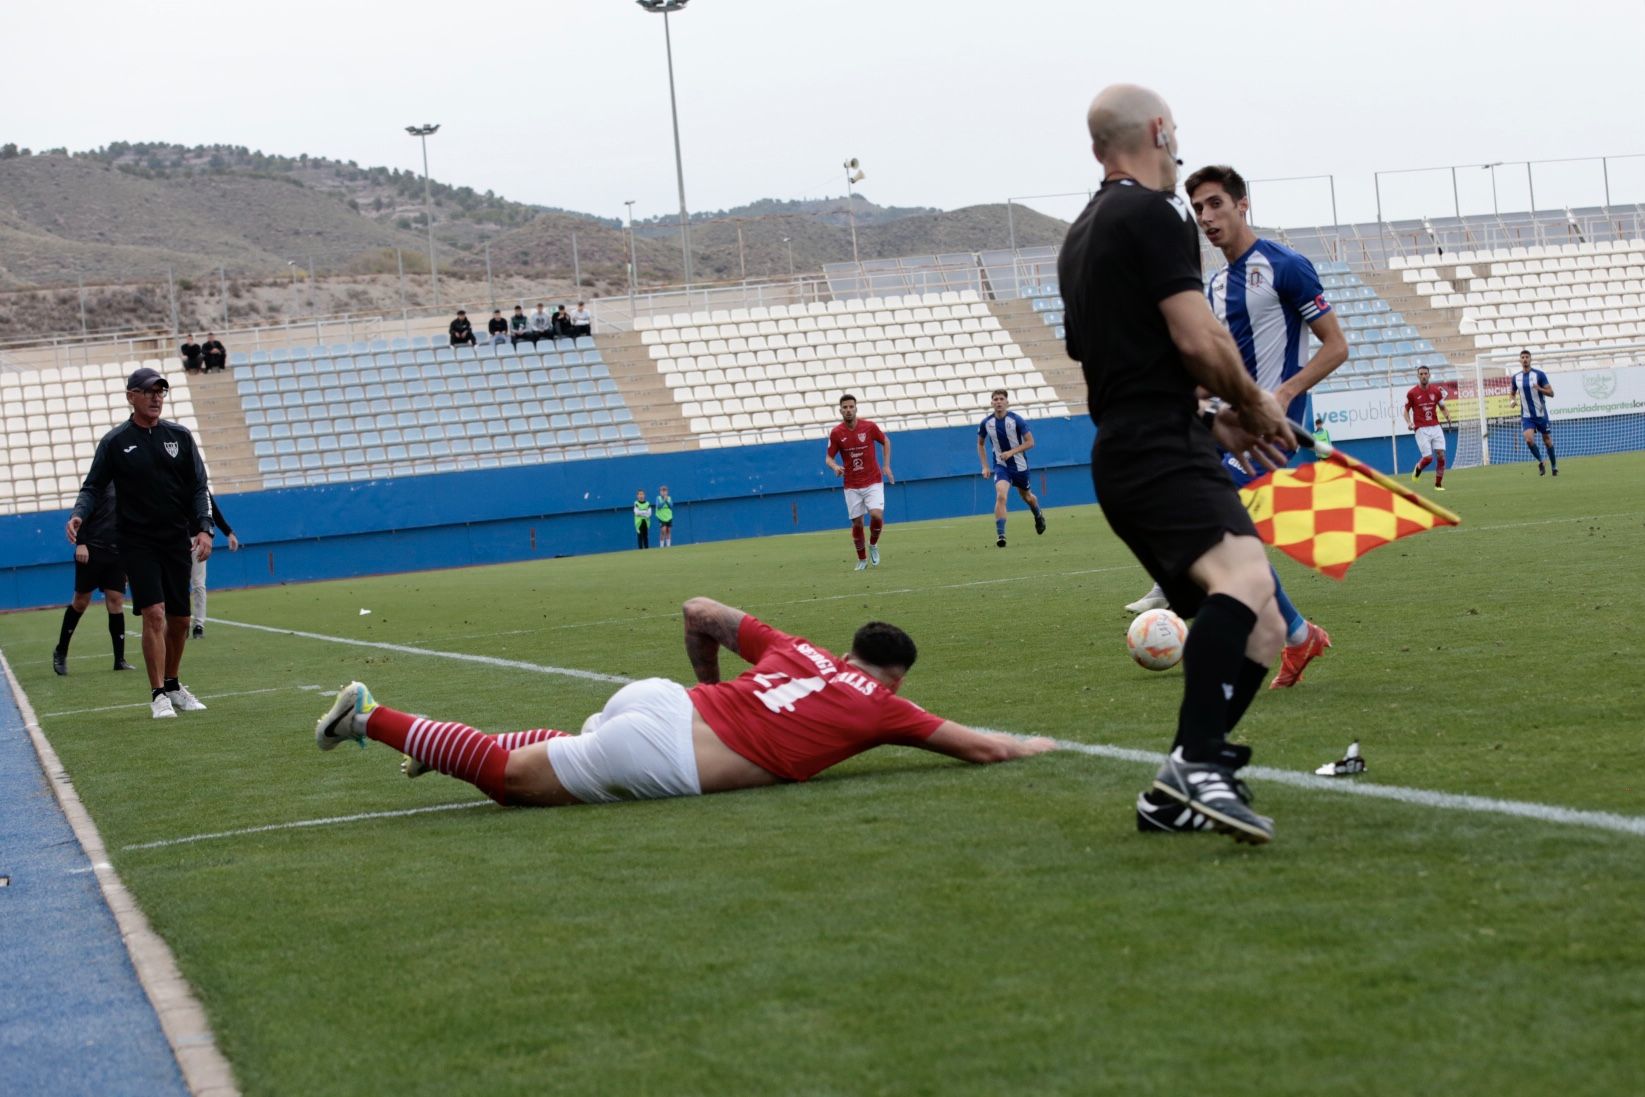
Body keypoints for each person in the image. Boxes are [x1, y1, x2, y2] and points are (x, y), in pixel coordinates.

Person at [1058, 84, 1292, 844]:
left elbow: (1119, 351)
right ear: (1159, 130)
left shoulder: (1080, 235)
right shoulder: (1154, 214)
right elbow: (1196, 340)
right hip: (1155, 448)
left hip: (1134, 447)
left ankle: (1170, 791)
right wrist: (1254, 405)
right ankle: (1199, 764)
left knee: (1259, 629)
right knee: (1249, 581)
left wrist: (1210, 421)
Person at [313, 597, 1055, 808]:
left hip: (657, 701)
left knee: (557, 751)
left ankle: (432, 750)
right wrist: (1037, 747)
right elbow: (982, 747)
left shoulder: (798, 648)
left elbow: (698, 609)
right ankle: (369, 715)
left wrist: (702, 683)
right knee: (510, 784)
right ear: (892, 676)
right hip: (667, 755)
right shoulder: (883, 707)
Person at [1127, 164, 1348, 689]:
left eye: (1215, 205)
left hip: (1270, 430)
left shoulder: (1284, 266)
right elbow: (1221, 369)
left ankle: (1195, 594)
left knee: (1211, 521)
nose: (1206, 217)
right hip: (1229, 426)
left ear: (1242, 203)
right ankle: (1296, 635)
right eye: (1198, 208)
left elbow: (1336, 345)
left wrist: (1286, 392)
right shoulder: (1218, 284)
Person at [66, 367, 214, 719]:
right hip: (136, 541)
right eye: (149, 391)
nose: (156, 397)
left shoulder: (179, 435)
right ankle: (158, 694)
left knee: (180, 619)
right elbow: (92, 486)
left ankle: (174, 683)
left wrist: (205, 528)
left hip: (175, 539)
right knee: (155, 613)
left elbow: (198, 487)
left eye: (161, 391)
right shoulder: (115, 442)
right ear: (131, 395)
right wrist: (79, 514)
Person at [51, 483, 136, 675]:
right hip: (91, 550)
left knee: (116, 601)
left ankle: (119, 659)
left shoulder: (129, 481)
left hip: (117, 553)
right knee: (81, 602)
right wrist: (81, 543)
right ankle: (60, 651)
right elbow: (82, 509)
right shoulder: (99, 481)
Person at [825, 394, 894, 571]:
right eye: (845, 407)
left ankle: (873, 544)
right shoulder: (836, 433)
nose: (848, 410)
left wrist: (886, 466)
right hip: (852, 484)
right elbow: (828, 458)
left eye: (851, 407)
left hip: (873, 480)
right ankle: (862, 559)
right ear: (840, 410)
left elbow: (885, 441)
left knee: (877, 515)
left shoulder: (869, 427)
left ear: (856, 408)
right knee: (857, 523)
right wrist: (834, 467)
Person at [976, 389, 1046, 547]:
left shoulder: (1016, 420)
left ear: (1007, 402)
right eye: (995, 399)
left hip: (1020, 467)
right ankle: (1001, 536)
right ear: (991, 403)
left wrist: (1011, 452)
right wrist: (985, 466)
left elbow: (1030, 442)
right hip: (1001, 467)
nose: (998, 401)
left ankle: (1038, 515)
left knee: (1027, 497)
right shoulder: (986, 423)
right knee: (1001, 495)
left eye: (1001, 399)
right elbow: (980, 443)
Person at [189, 491, 240, 638]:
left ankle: (199, 624)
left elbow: (212, 511)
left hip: (197, 538)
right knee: (177, 583)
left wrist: (228, 532)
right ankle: (181, 621)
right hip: (174, 539)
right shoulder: (170, 479)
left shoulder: (198, 484)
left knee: (198, 583)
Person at [1405, 365, 1456, 490]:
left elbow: (1442, 407)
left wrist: (1448, 416)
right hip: (1421, 428)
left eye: (1425, 373)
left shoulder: (1435, 391)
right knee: (1428, 458)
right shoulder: (1412, 393)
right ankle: (1418, 469)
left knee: (1441, 455)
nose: (1423, 376)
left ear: (1429, 375)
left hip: (1435, 426)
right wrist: (1409, 423)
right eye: (1421, 374)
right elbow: (1405, 411)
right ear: (1418, 376)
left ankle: (1438, 484)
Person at [1510, 350, 1557, 476]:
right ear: (1520, 360)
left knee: (1547, 441)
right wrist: (1512, 401)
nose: (1525, 359)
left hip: (1541, 414)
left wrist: (1540, 389)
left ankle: (1554, 466)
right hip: (1527, 416)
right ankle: (1541, 461)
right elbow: (1512, 393)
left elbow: (1551, 393)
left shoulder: (1539, 375)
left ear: (1531, 359)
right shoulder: (1516, 378)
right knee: (1529, 440)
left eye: (1527, 357)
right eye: (1522, 357)